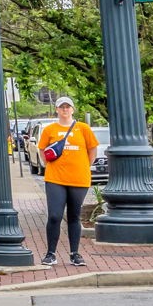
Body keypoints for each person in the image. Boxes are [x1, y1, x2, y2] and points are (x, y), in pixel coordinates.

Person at [37, 96, 98, 267]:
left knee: (74, 216)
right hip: (55, 178)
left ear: (73, 109)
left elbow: (92, 149)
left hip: (79, 179)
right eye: (61, 107)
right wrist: (47, 165)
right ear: (56, 109)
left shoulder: (83, 128)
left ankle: (74, 253)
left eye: (68, 107)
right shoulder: (50, 130)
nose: (65, 110)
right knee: (55, 215)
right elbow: (42, 149)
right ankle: (50, 253)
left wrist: (85, 165)